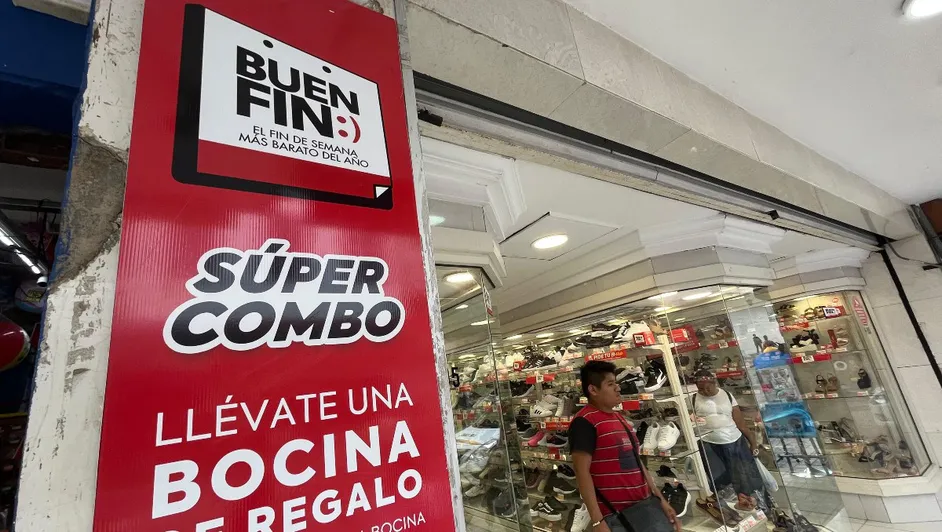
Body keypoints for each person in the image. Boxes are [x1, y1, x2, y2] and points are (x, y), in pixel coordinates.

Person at [569, 361, 681, 532]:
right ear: (593, 390)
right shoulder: (584, 422)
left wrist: (660, 500)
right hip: (616, 515)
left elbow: (638, 463)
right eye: (610, 384)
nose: (618, 388)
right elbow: (581, 472)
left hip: (646, 506)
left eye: (616, 383)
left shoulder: (619, 418)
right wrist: (597, 521)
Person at [691, 369, 765, 500]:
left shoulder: (727, 395)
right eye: (701, 389)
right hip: (708, 443)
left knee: (744, 475)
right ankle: (727, 502)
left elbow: (740, 423)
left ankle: (753, 501)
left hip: (733, 440)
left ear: (714, 383)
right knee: (718, 478)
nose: (705, 392)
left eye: (707, 388)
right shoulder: (693, 398)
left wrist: (753, 443)